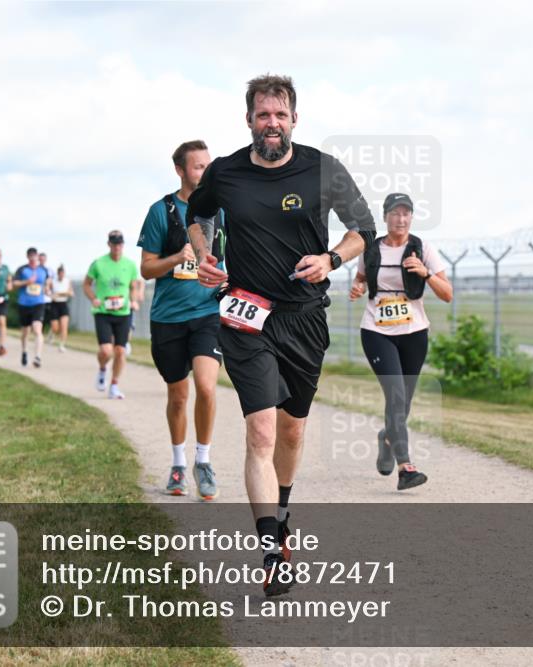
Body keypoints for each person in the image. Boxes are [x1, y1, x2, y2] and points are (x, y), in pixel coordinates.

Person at [187, 74, 376, 595]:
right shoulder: (224, 172)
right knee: (262, 432)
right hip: (245, 315)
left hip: (305, 317)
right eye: (263, 114)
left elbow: (364, 228)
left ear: (295, 119)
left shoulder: (322, 168)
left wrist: (332, 258)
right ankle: (270, 548)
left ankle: (282, 510)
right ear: (248, 119)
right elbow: (196, 215)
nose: (272, 123)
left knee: (292, 432)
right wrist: (204, 254)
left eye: (280, 114)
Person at [138, 139, 224, 500]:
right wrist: (176, 258)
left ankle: (203, 461)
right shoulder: (162, 211)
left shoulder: (221, 211)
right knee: (178, 395)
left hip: (207, 312)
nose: (204, 172)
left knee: (206, 387)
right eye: (198, 167)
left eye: (208, 165)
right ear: (180, 170)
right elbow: (146, 269)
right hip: (168, 318)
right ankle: (178, 463)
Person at [349, 193, 452, 490]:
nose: (401, 219)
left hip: (415, 333)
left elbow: (447, 294)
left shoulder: (422, 248)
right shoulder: (371, 249)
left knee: (403, 403)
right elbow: (361, 280)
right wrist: (357, 288)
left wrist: (426, 272)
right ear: (385, 217)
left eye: (406, 213)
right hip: (377, 331)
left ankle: (388, 438)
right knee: (394, 395)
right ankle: (406, 466)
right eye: (395, 213)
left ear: (411, 217)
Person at [83, 230, 142, 399]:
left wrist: (134, 299)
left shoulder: (130, 265)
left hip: (123, 313)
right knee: (106, 351)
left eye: (120, 244)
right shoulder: (98, 264)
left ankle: (114, 386)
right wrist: (93, 298)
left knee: (121, 351)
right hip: (103, 312)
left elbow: (133, 286)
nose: (117, 247)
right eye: (114, 244)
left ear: (123, 245)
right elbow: (87, 285)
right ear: (109, 244)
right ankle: (102, 370)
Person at [12, 247, 48, 368]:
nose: (33, 258)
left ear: (37, 257)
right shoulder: (22, 270)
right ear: (27, 257)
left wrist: (47, 288)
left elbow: (47, 282)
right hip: (24, 304)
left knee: (37, 329)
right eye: (30, 256)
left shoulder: (43, 270)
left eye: (35, 256)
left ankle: (37, 357)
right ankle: (24, 351)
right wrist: (26, 282)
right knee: (25, 332)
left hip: (38, 303)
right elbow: (14, 283)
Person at [49, 265, 73, 352]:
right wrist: (51, 295)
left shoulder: (67, 281)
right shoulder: (53, 281)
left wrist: (59, 294)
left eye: (63, 274)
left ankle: (62, 345)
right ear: (58, 274)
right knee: (56, 327)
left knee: (64, 326)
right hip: (54, 304)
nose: (61, 275)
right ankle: (52, 332)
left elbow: (71, 293)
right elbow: (49, 292)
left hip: (63, 304)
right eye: (60, 274)